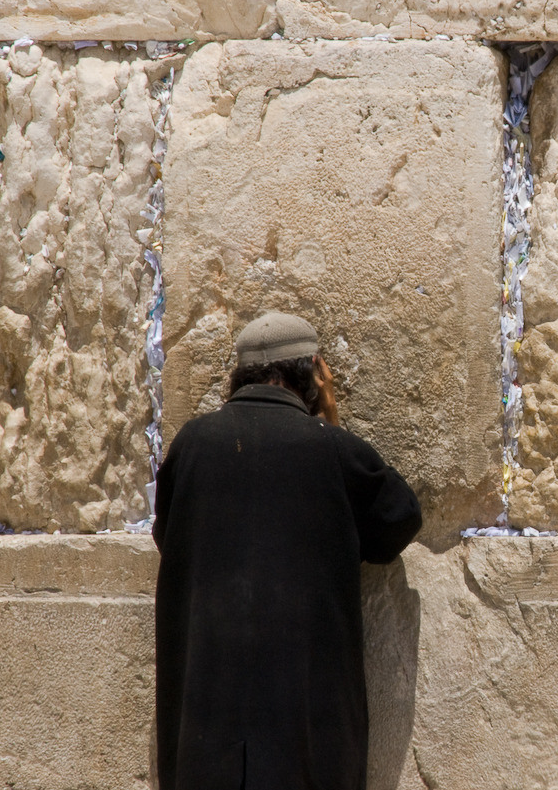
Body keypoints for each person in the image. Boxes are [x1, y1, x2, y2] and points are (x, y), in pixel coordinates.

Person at [153, 312, 422, 790]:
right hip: (304, 749)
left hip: (205, 741)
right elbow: (397, 521)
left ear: (238, 377)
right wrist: (334, 425)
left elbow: (167, 536)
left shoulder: (190, 446)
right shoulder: (332, 451)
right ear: (314, 375)